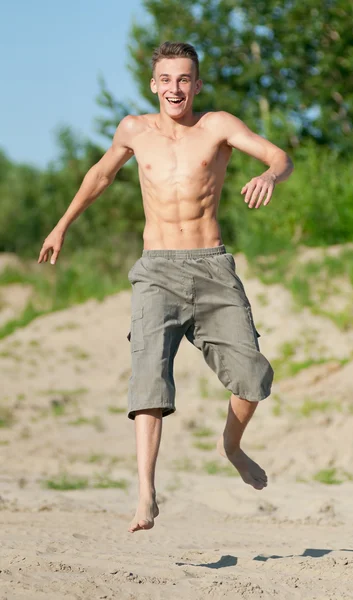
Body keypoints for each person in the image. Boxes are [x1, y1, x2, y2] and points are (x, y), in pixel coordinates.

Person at [38, 41, 294, 533]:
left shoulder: (217, 125)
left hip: (212, 266)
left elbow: (279, 155)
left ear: (196, 85)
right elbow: (100, 175)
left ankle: (232, 447)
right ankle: (146, 495)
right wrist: (62, 224)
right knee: (149, 381)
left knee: (253, 377)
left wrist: (270, 175)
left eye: (184, 80)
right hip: (155, 270)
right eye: (166, 80)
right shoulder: (135, 130)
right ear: (154, 84)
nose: (175, 89)